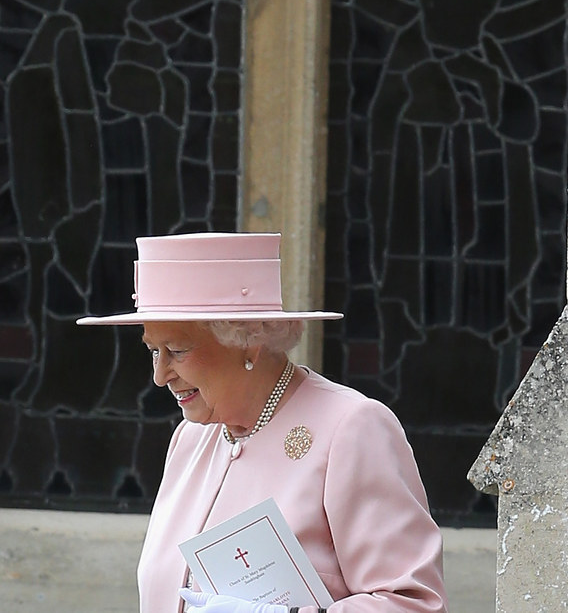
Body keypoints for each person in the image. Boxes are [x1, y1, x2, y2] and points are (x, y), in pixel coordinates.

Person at [77, 232, 448, 613]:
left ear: (248, 341)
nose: (159, 375)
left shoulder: (352, 428)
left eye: (177, 350)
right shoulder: (190, 439)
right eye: (153, 351)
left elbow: (413, 605)